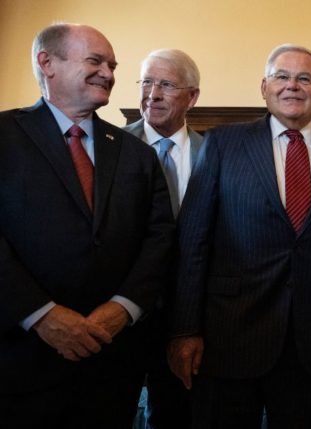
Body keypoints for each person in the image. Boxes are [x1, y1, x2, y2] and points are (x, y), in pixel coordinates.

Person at [167, 44, 311, 428]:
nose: (292, 86)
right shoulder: (223, 145)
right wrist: (185, 329)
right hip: (229, 335)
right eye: (282, 76)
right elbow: (193, 241)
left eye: (305, 78)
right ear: (264, 87)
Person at [0, 23, 175, 427]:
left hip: (111, 363)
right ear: (48, 63)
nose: (110, 74)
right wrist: (41, 315)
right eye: (95, 61)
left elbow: (160, 238)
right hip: (18, 363)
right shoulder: (5, 136)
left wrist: (122, 309)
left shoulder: (137, 154)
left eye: (112, 65)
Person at [123, 48, 203, 429]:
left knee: (175, 417)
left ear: (192, 96)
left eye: (166, 85)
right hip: (121, 317)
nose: (152, 94)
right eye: (146, 82)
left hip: (189, 319)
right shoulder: (111, 148)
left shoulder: (215, 153)